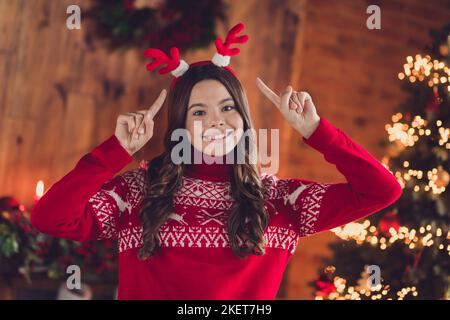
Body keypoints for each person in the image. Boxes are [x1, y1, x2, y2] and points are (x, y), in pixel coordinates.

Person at [30, 22, 402, 300]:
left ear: (243, 118)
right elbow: (49, 217)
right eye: (198, 112)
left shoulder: (281, 200)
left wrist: (318, 130)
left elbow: (381, 190)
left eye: (227, 108)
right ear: (180, 125)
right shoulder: (137, 191)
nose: (217, 122)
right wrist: (115, 152)